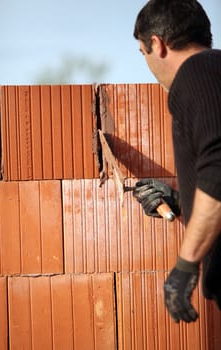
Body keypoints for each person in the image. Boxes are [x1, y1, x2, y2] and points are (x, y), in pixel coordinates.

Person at [132, 0, 221, 323]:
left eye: (142, 53)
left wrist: (186, 263)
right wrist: (180, 201)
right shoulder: (213, 74)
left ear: (157, 43)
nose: (147, 63)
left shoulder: (197, 71)